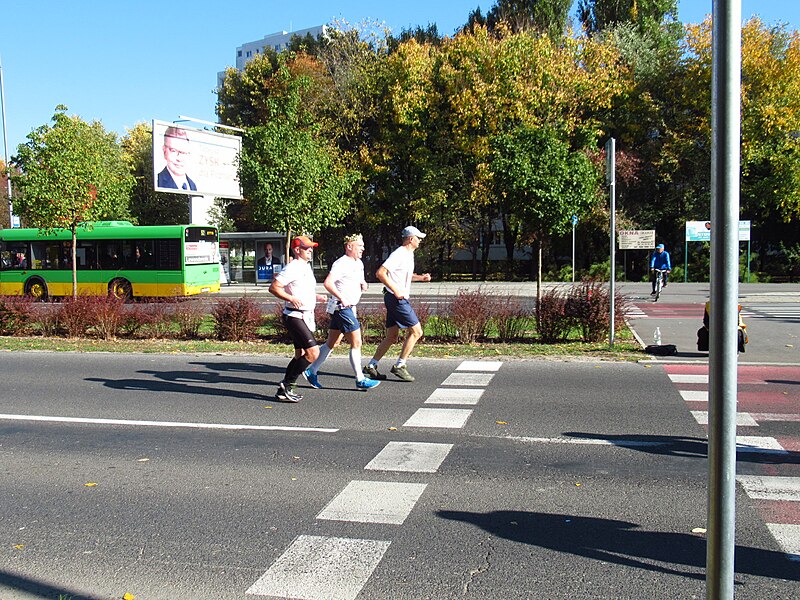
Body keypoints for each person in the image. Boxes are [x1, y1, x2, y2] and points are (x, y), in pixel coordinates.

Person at [302, 234, 381, 391]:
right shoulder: (341, 263)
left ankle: (311, 370)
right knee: (356, 341)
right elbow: (328, 283)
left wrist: (363, 283)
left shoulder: (358, 263)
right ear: (349, 246)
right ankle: (360, 379)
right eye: (359, 246)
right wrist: (342, 297)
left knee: (332, 342)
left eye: (363, 246)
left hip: (348, 307)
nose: (363, 249)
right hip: (341, 307)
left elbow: (358, 278)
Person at [364, 225, 432, 382]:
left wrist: (421, 278)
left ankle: (371, 365)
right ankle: (400, 365)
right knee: (417, 332)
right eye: (418, 238)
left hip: (394, 297)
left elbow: (403, 275)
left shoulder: (408, 254)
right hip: (396, 299)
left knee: (392, 335)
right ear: (410, 239)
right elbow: (380, 273)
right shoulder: (400, 254)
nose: (420, 241)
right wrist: (396, 290)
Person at [269, 235, 326, 402]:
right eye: (307, 248)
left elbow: (300, 288)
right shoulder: (292, 267)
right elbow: (274, 287)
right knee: (313, 353)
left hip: (305, 315)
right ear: (296, 250)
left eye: (311, 247)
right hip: (295, 316)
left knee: (300, 353)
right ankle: (287, 384)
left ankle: (284, 390)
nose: (310, 250)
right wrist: (290, 298)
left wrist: (316, 296)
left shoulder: (305, 266)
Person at [157, 126, 197, 191]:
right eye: (173, 151)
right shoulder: (158, 181)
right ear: (164, 151)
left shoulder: (192, 185)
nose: (179, 158)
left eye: (183, 152)